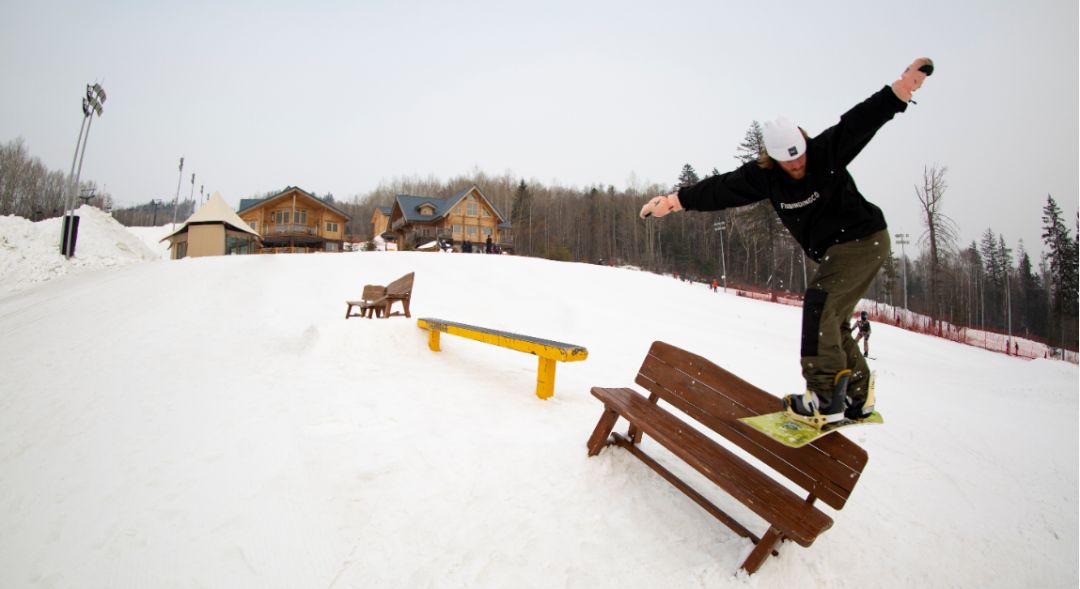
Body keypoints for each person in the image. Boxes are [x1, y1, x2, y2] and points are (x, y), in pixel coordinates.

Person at [639, 57, 933, 428]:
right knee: (833, 320)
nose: (797, 168)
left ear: (805, 144)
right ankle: (858, 396)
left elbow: (861, 121)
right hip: (843, 248)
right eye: (789, 165)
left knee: (819, 304)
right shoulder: (766, 177)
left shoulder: (825, 151)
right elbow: (722, 189)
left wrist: (899, 92)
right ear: (775, 161)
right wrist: (674, 201)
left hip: (862, 238)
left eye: (800, 160)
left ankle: (824, 397)